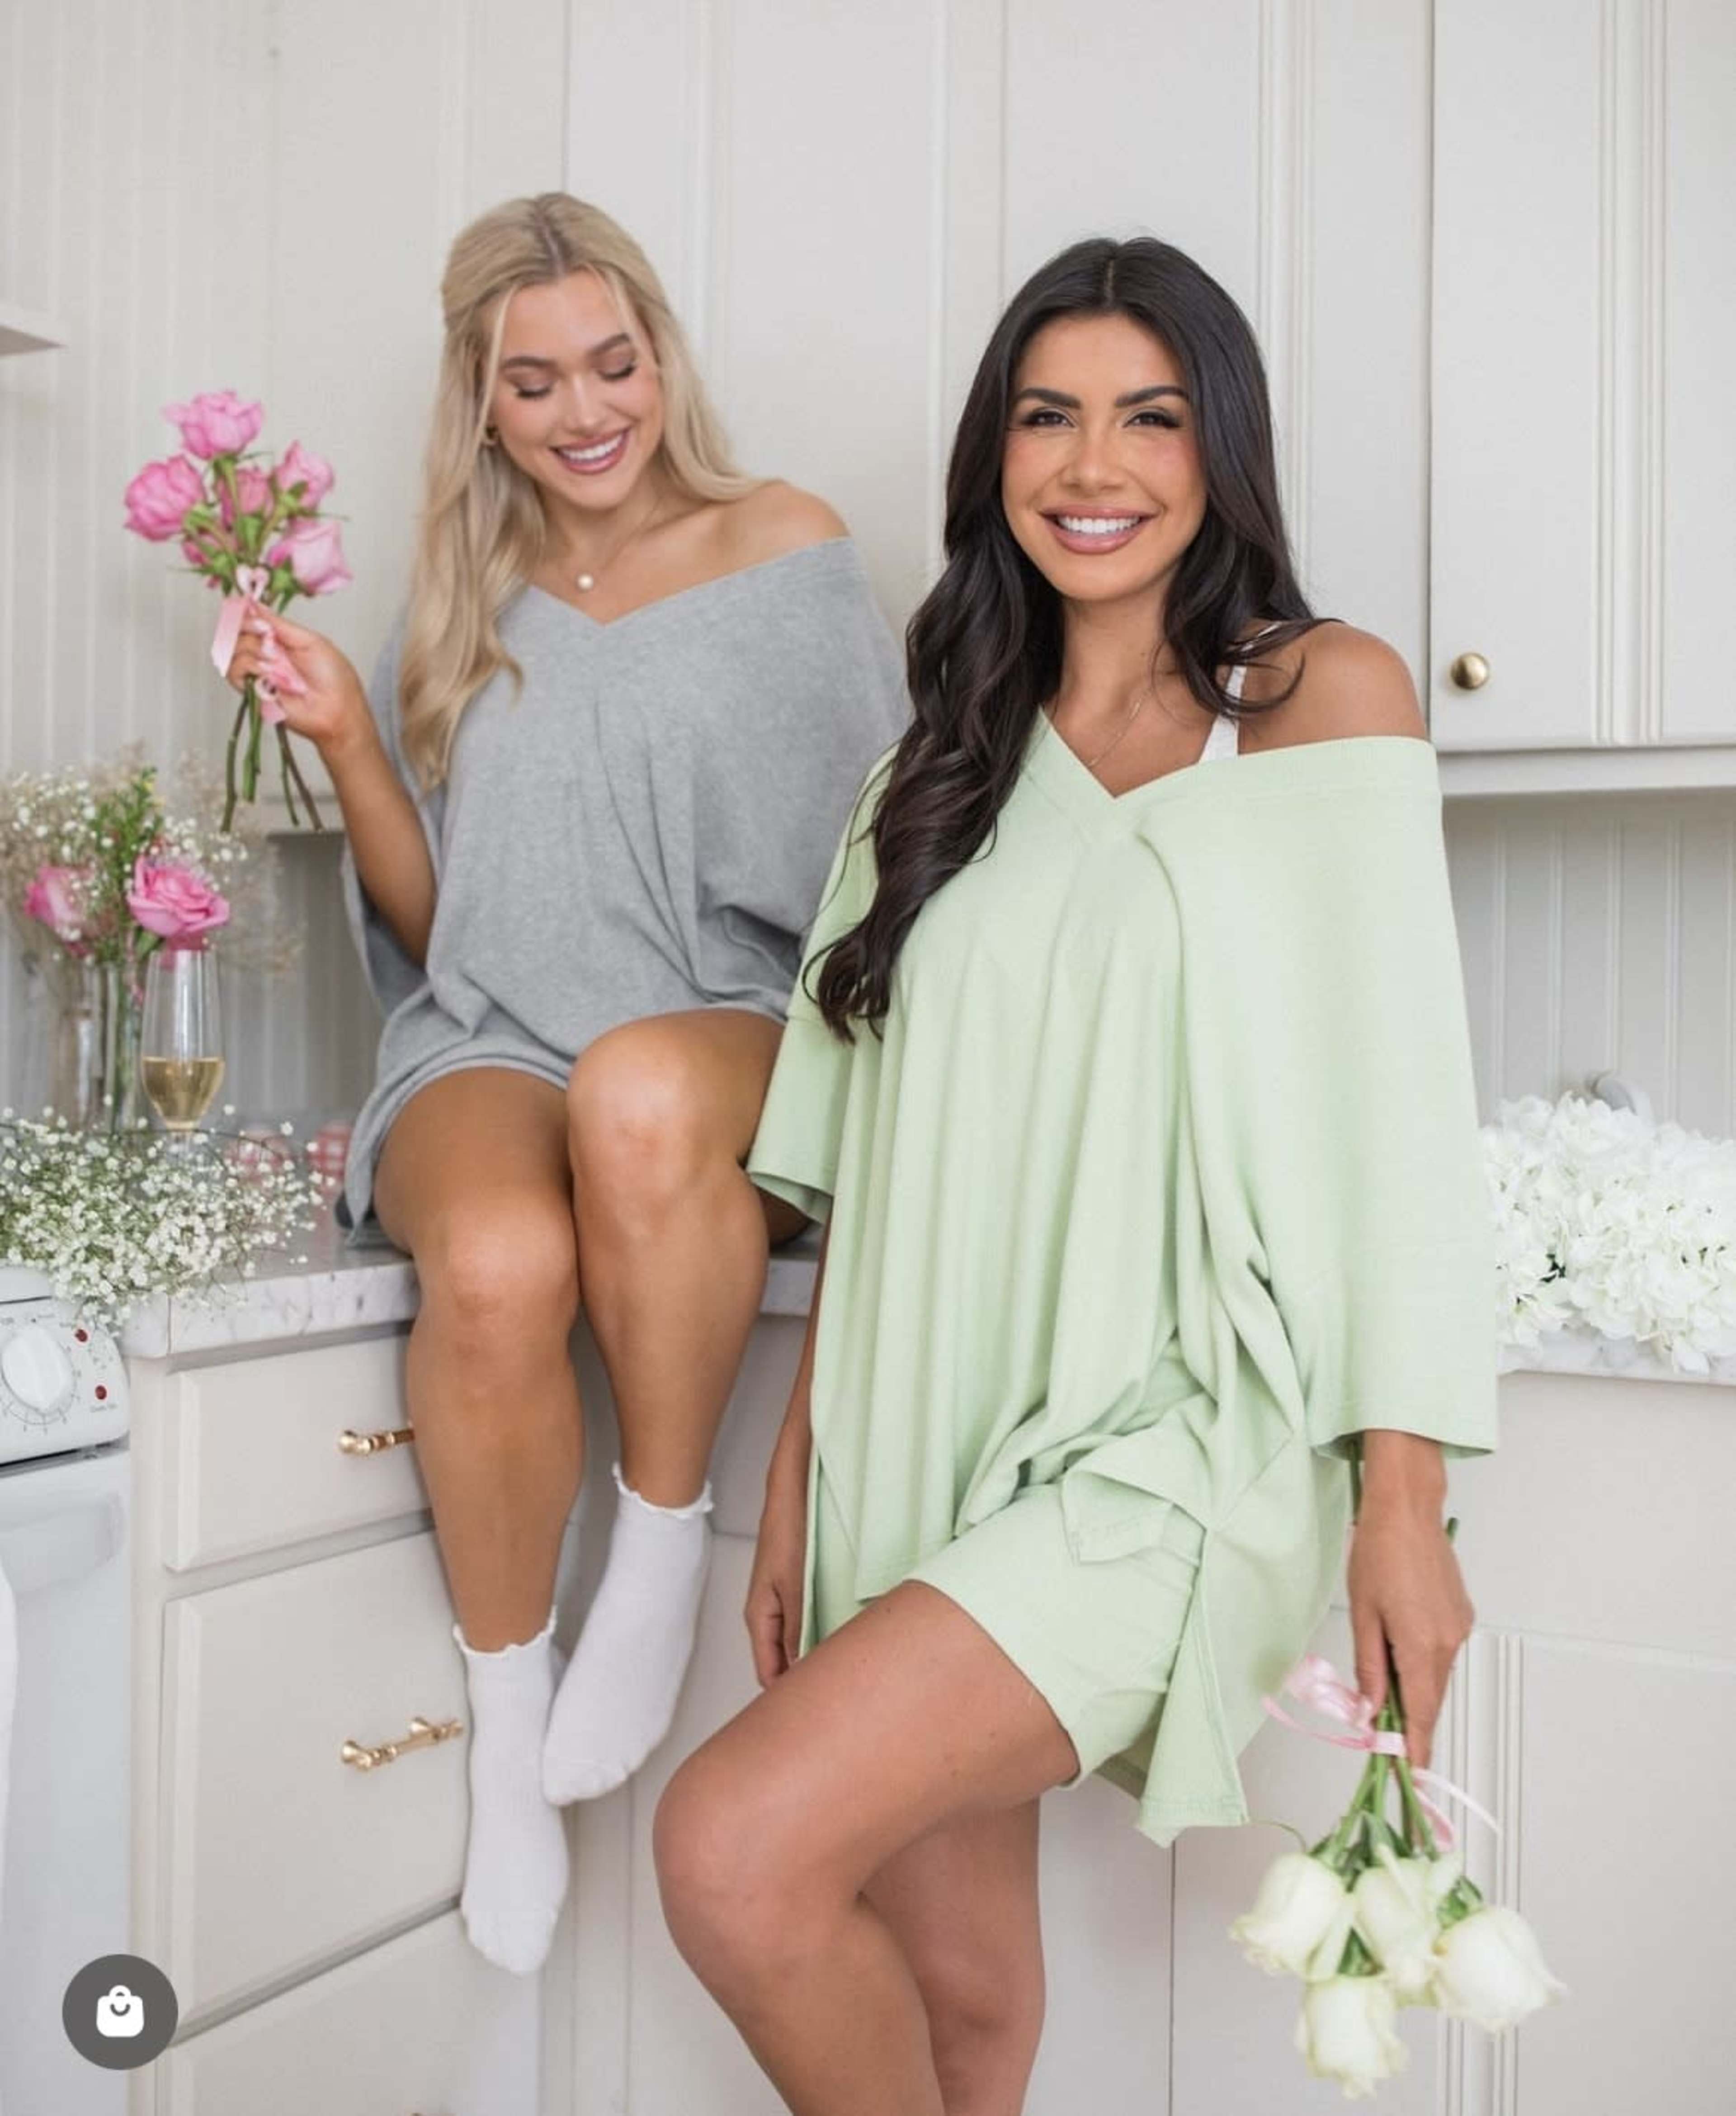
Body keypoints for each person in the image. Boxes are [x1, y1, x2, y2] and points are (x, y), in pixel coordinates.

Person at [650, 235, 1498, 2115]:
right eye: (1048, 417)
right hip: (917, 1420)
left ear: (1221, 452)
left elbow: (1397, 1123)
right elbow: (862, 1172)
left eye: (1148, 416)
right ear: (995, 457)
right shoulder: (931, 775)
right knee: (964, 2003)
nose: (1091, 465)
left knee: (731, 1852)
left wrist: (1403, 1502)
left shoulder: (1318, 701)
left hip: (1179, 1443)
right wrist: (795, 1486)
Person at [219, 192, 907, 1977]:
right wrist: (355, 740)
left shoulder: (790, 545)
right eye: (537, 382)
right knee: (502, 1266)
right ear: (483, 398)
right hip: (496, 1035)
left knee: (638, 1096)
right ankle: (505, 1739)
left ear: (663, 355)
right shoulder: (466, 600)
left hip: (727, 1027)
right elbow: (448, 924)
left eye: (616, 360)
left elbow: (883, 879)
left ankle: (658, 1561)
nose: (587, 408)